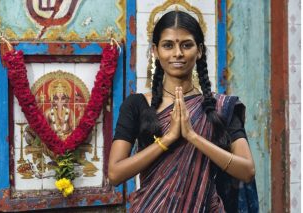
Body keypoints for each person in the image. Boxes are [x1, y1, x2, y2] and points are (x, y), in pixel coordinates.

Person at [108, 10, 257, 212]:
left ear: (199, 50)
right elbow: (115, 174)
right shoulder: (137, 104)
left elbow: (247, 170)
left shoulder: (221, 107)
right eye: (168, 45)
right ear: (155, 51)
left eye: (186, 45)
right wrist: (168, 139)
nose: (177, 53)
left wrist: (193, 136)